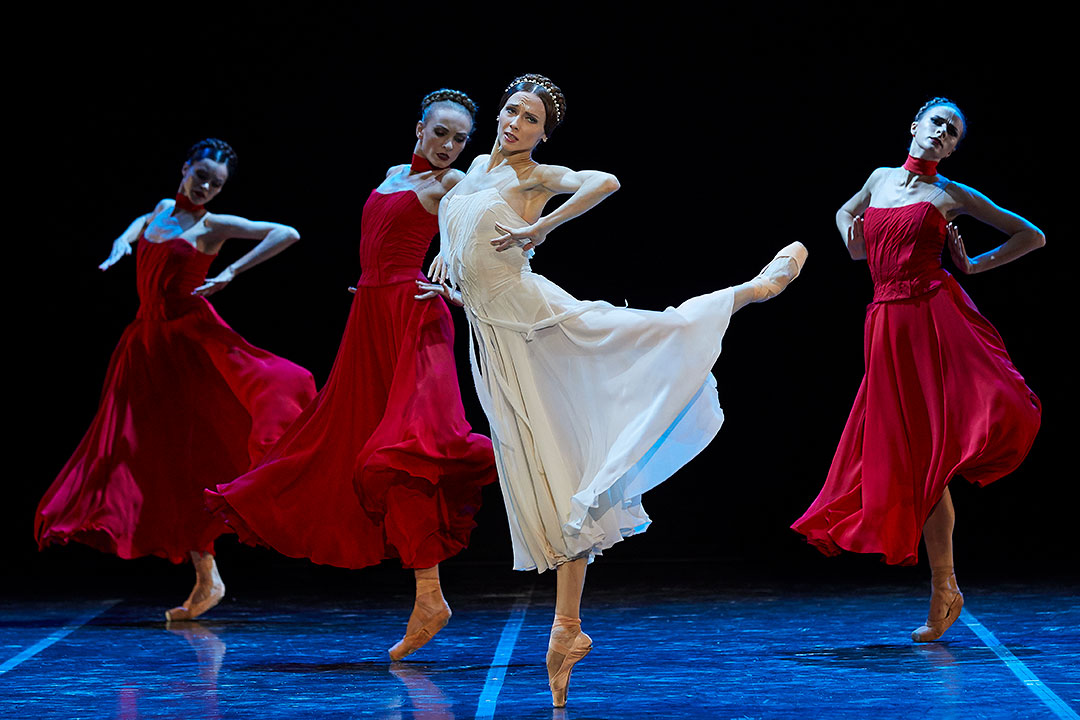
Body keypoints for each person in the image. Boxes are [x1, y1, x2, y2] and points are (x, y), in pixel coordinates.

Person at [428, 74, 807, 707]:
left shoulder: (532, 176)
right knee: (556, 475)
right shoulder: (469, 177)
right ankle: (567, 629)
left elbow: (605, 182)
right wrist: (448, 269)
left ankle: (746, 293)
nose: (516, 122)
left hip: (539, 321)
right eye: (512, 110)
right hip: (498, 345)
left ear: (543, 133)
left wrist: (540, 228)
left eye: (531, 118)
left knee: (645, 338)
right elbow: (467, 251)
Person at [206, 90, 497, 661]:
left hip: (416, 321)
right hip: (370, 321)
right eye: (441, 133)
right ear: (419, 127)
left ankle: (432, 594)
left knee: (405, 450)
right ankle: (429, 596)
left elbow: (491, 247)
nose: (449, 146)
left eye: (459, 139)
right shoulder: (393, 175)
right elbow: (381, 246)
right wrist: (370, 286)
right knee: (342, 445)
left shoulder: (454, 185)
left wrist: (454, 290)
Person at [791, 97, 1044, 642]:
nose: (943, 134)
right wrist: (854, 245)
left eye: (952, 133)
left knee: (928, 455)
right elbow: (844, 213)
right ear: (914, 126)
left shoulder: (951, 194)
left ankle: (944, 587)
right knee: (907, 457)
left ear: (953, 147)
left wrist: (974, 264)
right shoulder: (880, 178)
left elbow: (1031, 235)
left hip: (933, 318)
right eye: (937, 123)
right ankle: (946, 588)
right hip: (885, 323)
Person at [35, 139, 316, 621]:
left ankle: (211, 571)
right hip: (145, 347)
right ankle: (207, 575)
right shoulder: (165, 208)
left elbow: (285, 232)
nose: (206, 187)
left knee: (193, 454)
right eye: (201, 175)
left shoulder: (209, 225)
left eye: (217, 183)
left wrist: (231, 270)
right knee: (152, 458)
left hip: (188, 344)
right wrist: (124, 239)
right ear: (184, 168)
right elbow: (147, 220)